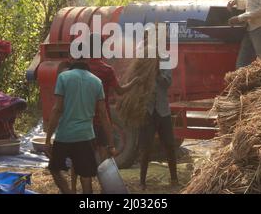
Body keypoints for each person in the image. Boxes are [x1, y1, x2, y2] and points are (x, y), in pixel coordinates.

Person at [70, 34, 140, 193]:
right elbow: (120, 90)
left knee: (77, 157)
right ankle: (104, 189)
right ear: (102, 48)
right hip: (100, 120)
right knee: (104, 158)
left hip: (81, 119)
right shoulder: (106, 70)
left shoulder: (80, 69)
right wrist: (134, 82)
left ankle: (73, 189)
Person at [45, 55, 117, 194]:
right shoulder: (96, 81)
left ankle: (68, 192)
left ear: (72, 60)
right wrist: (111, 144)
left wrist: (48, 139)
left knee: (55, 169)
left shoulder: (63, 77)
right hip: (86, 136)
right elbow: (103, 114)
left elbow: (57, 109)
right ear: (87, 61)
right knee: (86, 176)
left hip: (64, 135)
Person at [139, 65, 178, 191]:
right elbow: (139, 82)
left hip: (163, 111)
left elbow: (167, 83)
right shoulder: (144, 59)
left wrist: (157, 72)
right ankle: (142, 182)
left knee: (169, 145)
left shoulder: (165, 60)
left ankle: (174, 179)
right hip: (148, 110)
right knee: (146, 147)